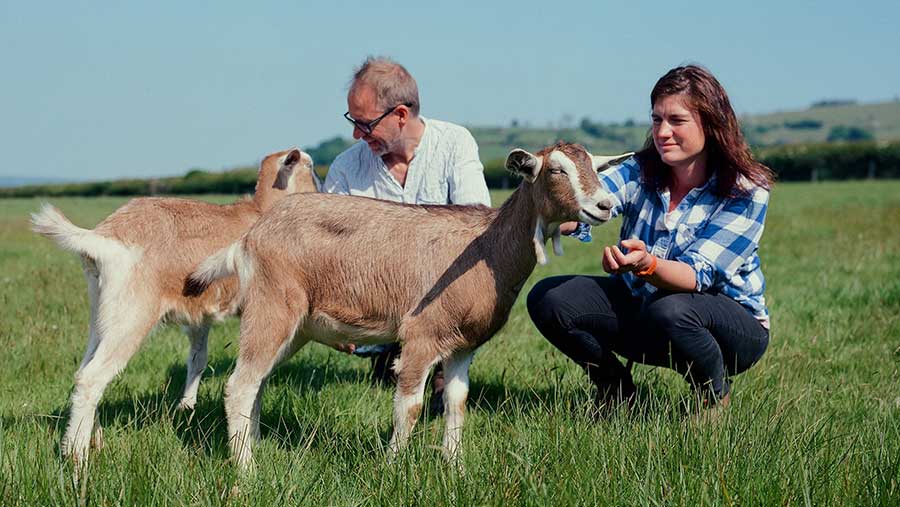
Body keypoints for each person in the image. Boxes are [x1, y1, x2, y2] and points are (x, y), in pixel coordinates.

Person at [527, 64, 775, 416]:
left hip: (730, 330)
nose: (663, 132)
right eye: (657, 119)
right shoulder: (639, 170)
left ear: (710, 124)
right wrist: (554, 217)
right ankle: (617, 390)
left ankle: (712, 397)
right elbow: (591, 202)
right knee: (549, 298)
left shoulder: (746, 190)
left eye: (677, 120)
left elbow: (696, 275)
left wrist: (647, 265)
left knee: (671, 309)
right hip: (648, 310)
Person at [323, 56, 491, 411]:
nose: (356, 135)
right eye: (353, 121)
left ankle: (443, 363)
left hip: (441, 300)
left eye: (365, 124)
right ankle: (390, 351)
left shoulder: (455, 143)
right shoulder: (346, 167)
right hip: (373, 299)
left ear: (400, 114)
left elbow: (475, 228)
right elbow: (328, 251)